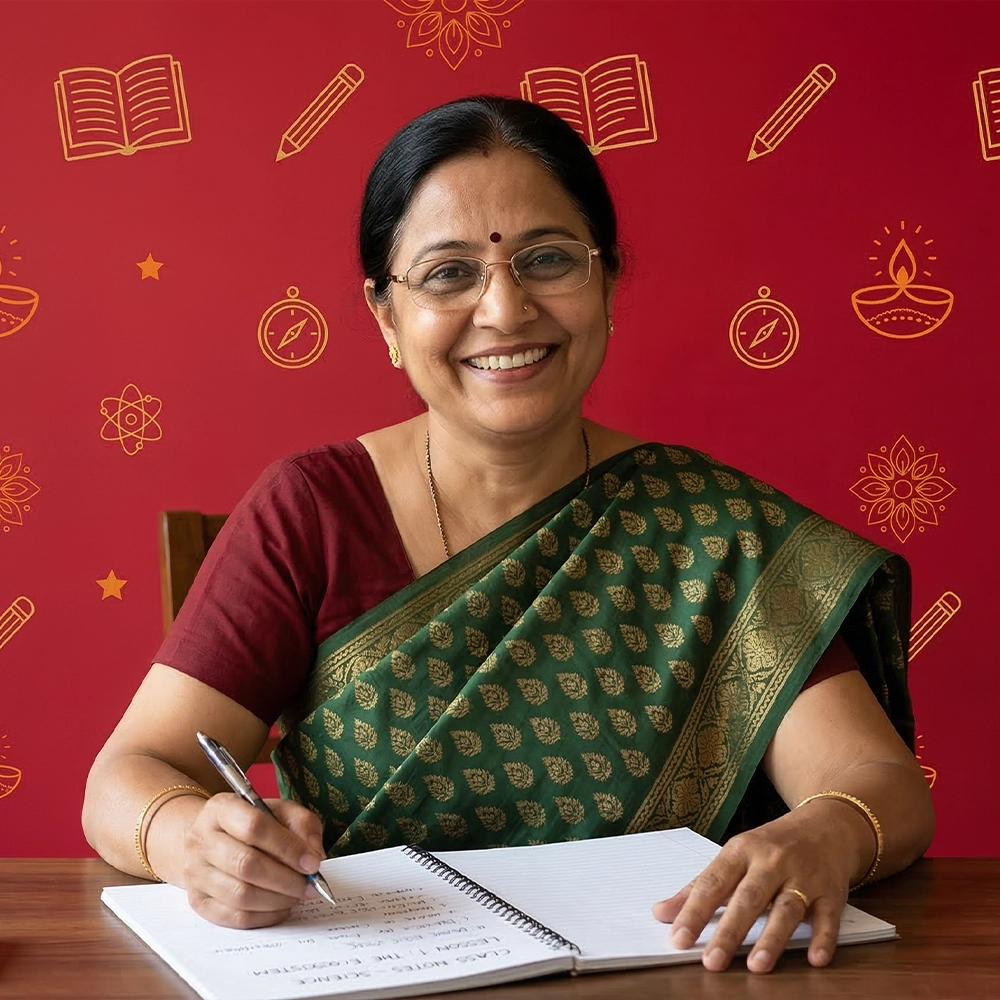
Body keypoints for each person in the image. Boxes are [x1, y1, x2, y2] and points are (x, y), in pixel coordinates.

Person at [83, 96, 934, 974]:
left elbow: (884, 788)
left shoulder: (714, 530)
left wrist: (832, 830)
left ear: (607, 285)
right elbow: (127, 775)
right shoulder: (314, 511)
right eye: (449, 273)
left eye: (550, 260)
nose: (504, 308)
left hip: (672, 976)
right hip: (377, 982)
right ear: (385, 315)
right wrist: (194, 842)